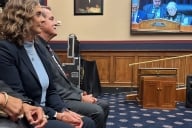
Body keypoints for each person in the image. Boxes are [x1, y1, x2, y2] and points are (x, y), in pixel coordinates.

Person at [0, 0, 96, 128]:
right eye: (38, 15)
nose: (43, 20)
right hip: (30, 114)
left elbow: (51, 90)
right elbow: (19, 98)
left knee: (87, 123)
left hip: (48, 109)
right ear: (22, 18)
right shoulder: (6, 49)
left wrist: (63, 110)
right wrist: (56, 115)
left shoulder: (38, 47)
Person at [37, 6, 109, 128]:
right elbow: (53, 86)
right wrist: (80, 97)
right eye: (52, 19)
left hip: (63, 95)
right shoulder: (38, 49)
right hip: (57, 99)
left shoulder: (48, 49)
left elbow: (65, 82)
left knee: (103, 104)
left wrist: (81, 94)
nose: (56, 23)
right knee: (98, 110)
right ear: (40, 23)